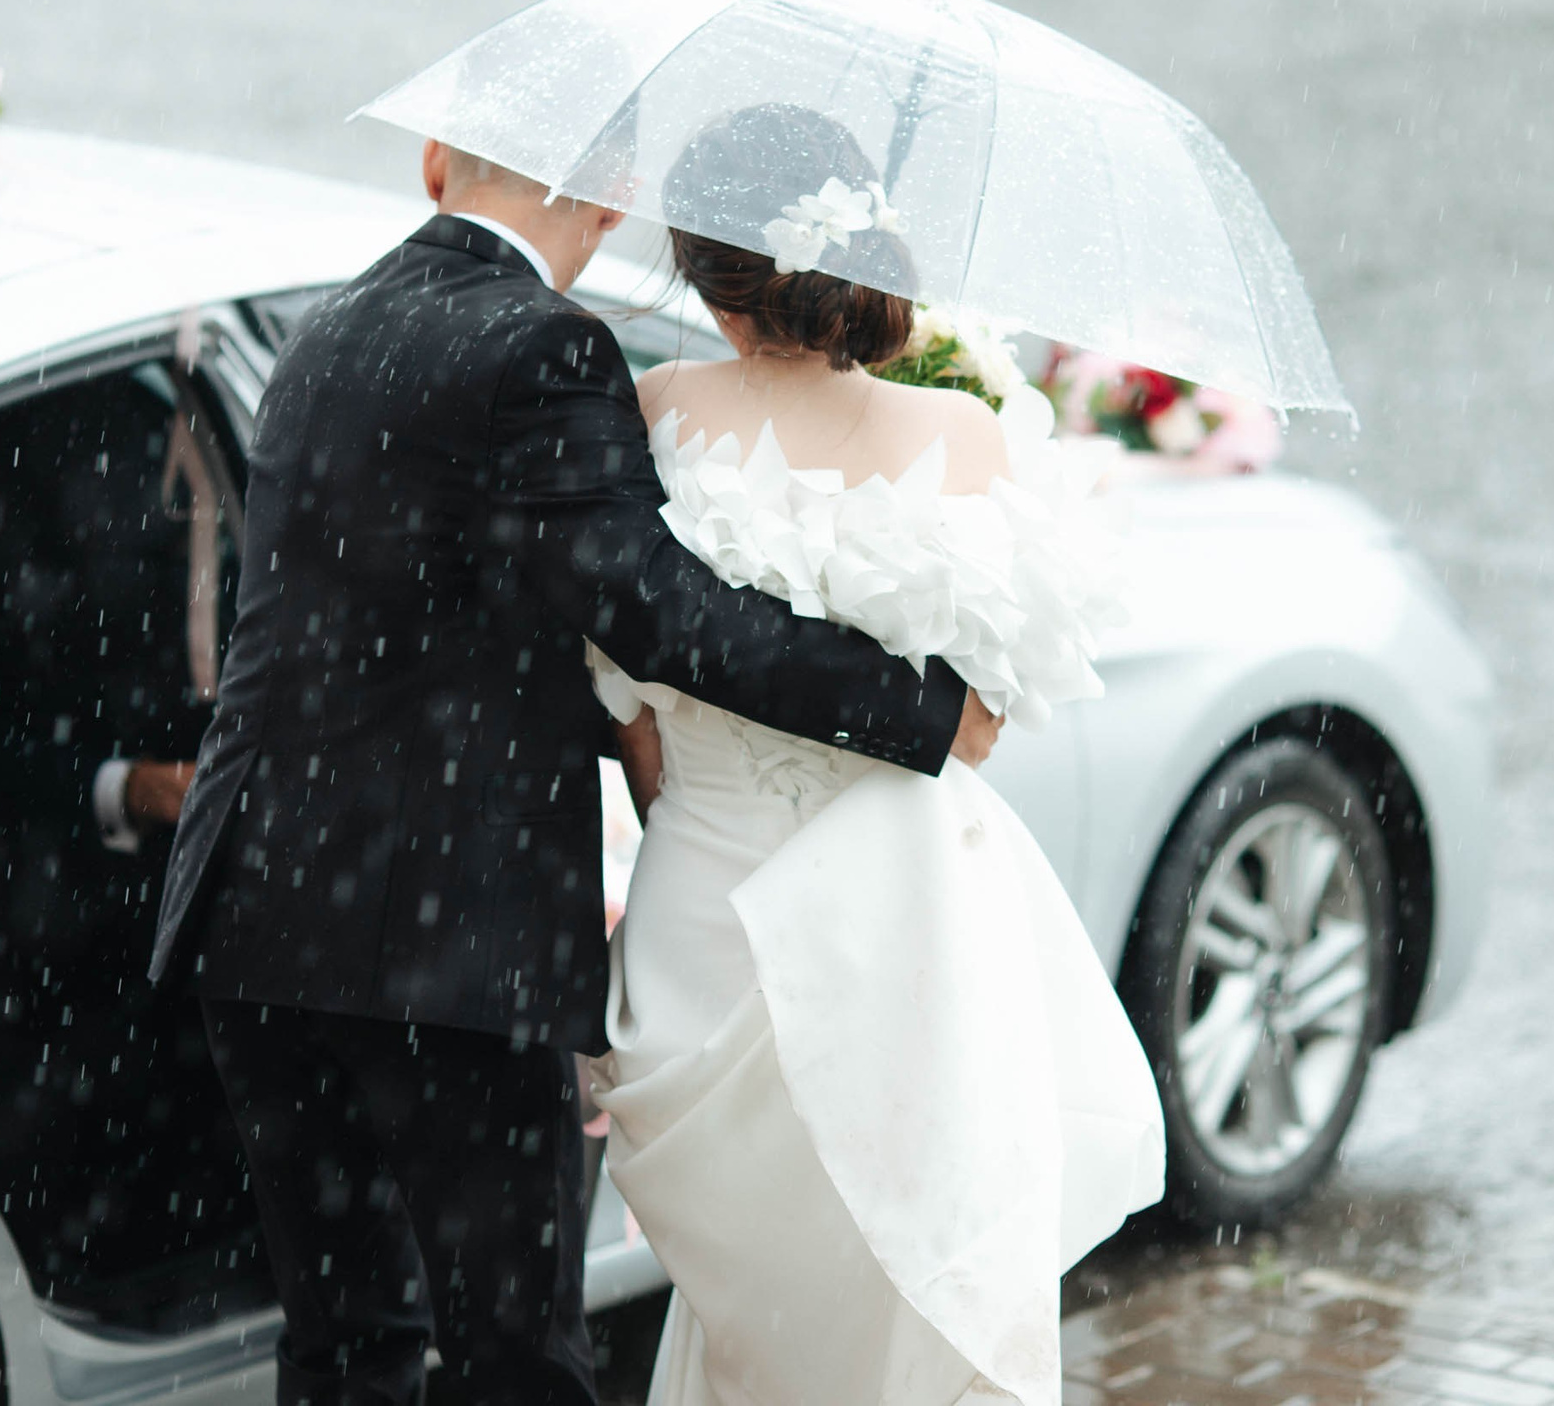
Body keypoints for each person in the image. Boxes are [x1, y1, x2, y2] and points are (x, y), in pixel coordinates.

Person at [147, 136, 1006, 1406]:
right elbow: (651, 612)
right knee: (516, 1358)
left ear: (435, 162)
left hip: (254, 906)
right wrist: (926, 711)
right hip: (440, 940)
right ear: (610, 201)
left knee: (343, 1341)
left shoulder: (327, 330)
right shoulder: (543, 345)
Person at [590, 105, 1165, 1405]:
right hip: (907, 929)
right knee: (906, 1277)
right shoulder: (962, 439)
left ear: (700, 266)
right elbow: (984, 724)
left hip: (700, 919)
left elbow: (628, 702)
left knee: (756, 1315)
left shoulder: (650, 414)